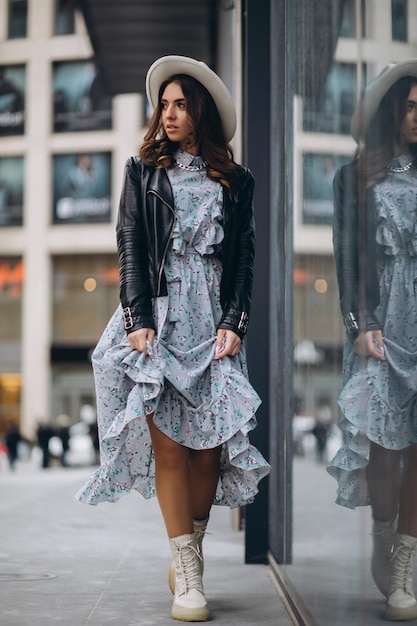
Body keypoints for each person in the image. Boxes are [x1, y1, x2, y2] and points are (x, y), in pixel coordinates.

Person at [76, 55, 270, 622]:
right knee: (169, 447)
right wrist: (137, 317)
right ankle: (186, 570)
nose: (169, 114)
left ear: (201, 111)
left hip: (211, 321)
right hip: (157, 319)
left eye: (180, 104)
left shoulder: (236, 181)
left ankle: (194, 545)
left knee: (208, 450)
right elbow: (131, 243)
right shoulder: (142, 171)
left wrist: (236, 321)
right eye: (164, 105)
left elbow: (244, 260)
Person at [327, 59, 417, 622]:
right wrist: (360, 323)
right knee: (386, 448)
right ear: (390, 111)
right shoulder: (355, 178)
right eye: (409, 105)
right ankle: (385, 534)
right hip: (385, 321)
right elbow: (347, 258)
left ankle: (405, 564)